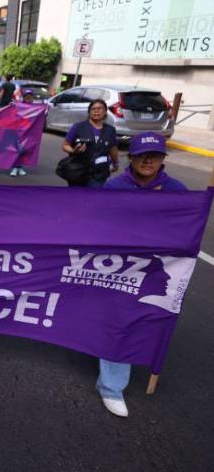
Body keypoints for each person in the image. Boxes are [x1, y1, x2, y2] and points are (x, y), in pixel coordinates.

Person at [95, 132, 186, 417]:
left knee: (141, 321)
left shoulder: (178, 191)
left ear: (162, 160)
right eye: (142, 155)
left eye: (155, 155)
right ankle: (111, 386)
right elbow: (99, 225)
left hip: (159, 268)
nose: (148, 160)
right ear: (131, 158)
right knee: (119, 321)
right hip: (121, 267)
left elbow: (186, 231)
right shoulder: (113, 187)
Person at [62, 99, 119, 187]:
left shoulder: (110, 130)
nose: (96, 111)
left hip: (99, 173)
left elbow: (113, 148)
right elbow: (65, 145)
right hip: (77, 171)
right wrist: (73, 151)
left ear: (105, 112)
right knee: (75, 197)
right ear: (89, 112)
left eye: (99, 108)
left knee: (93, 197)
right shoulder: (78, 127)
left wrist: (115, 163)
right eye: (93, 109)